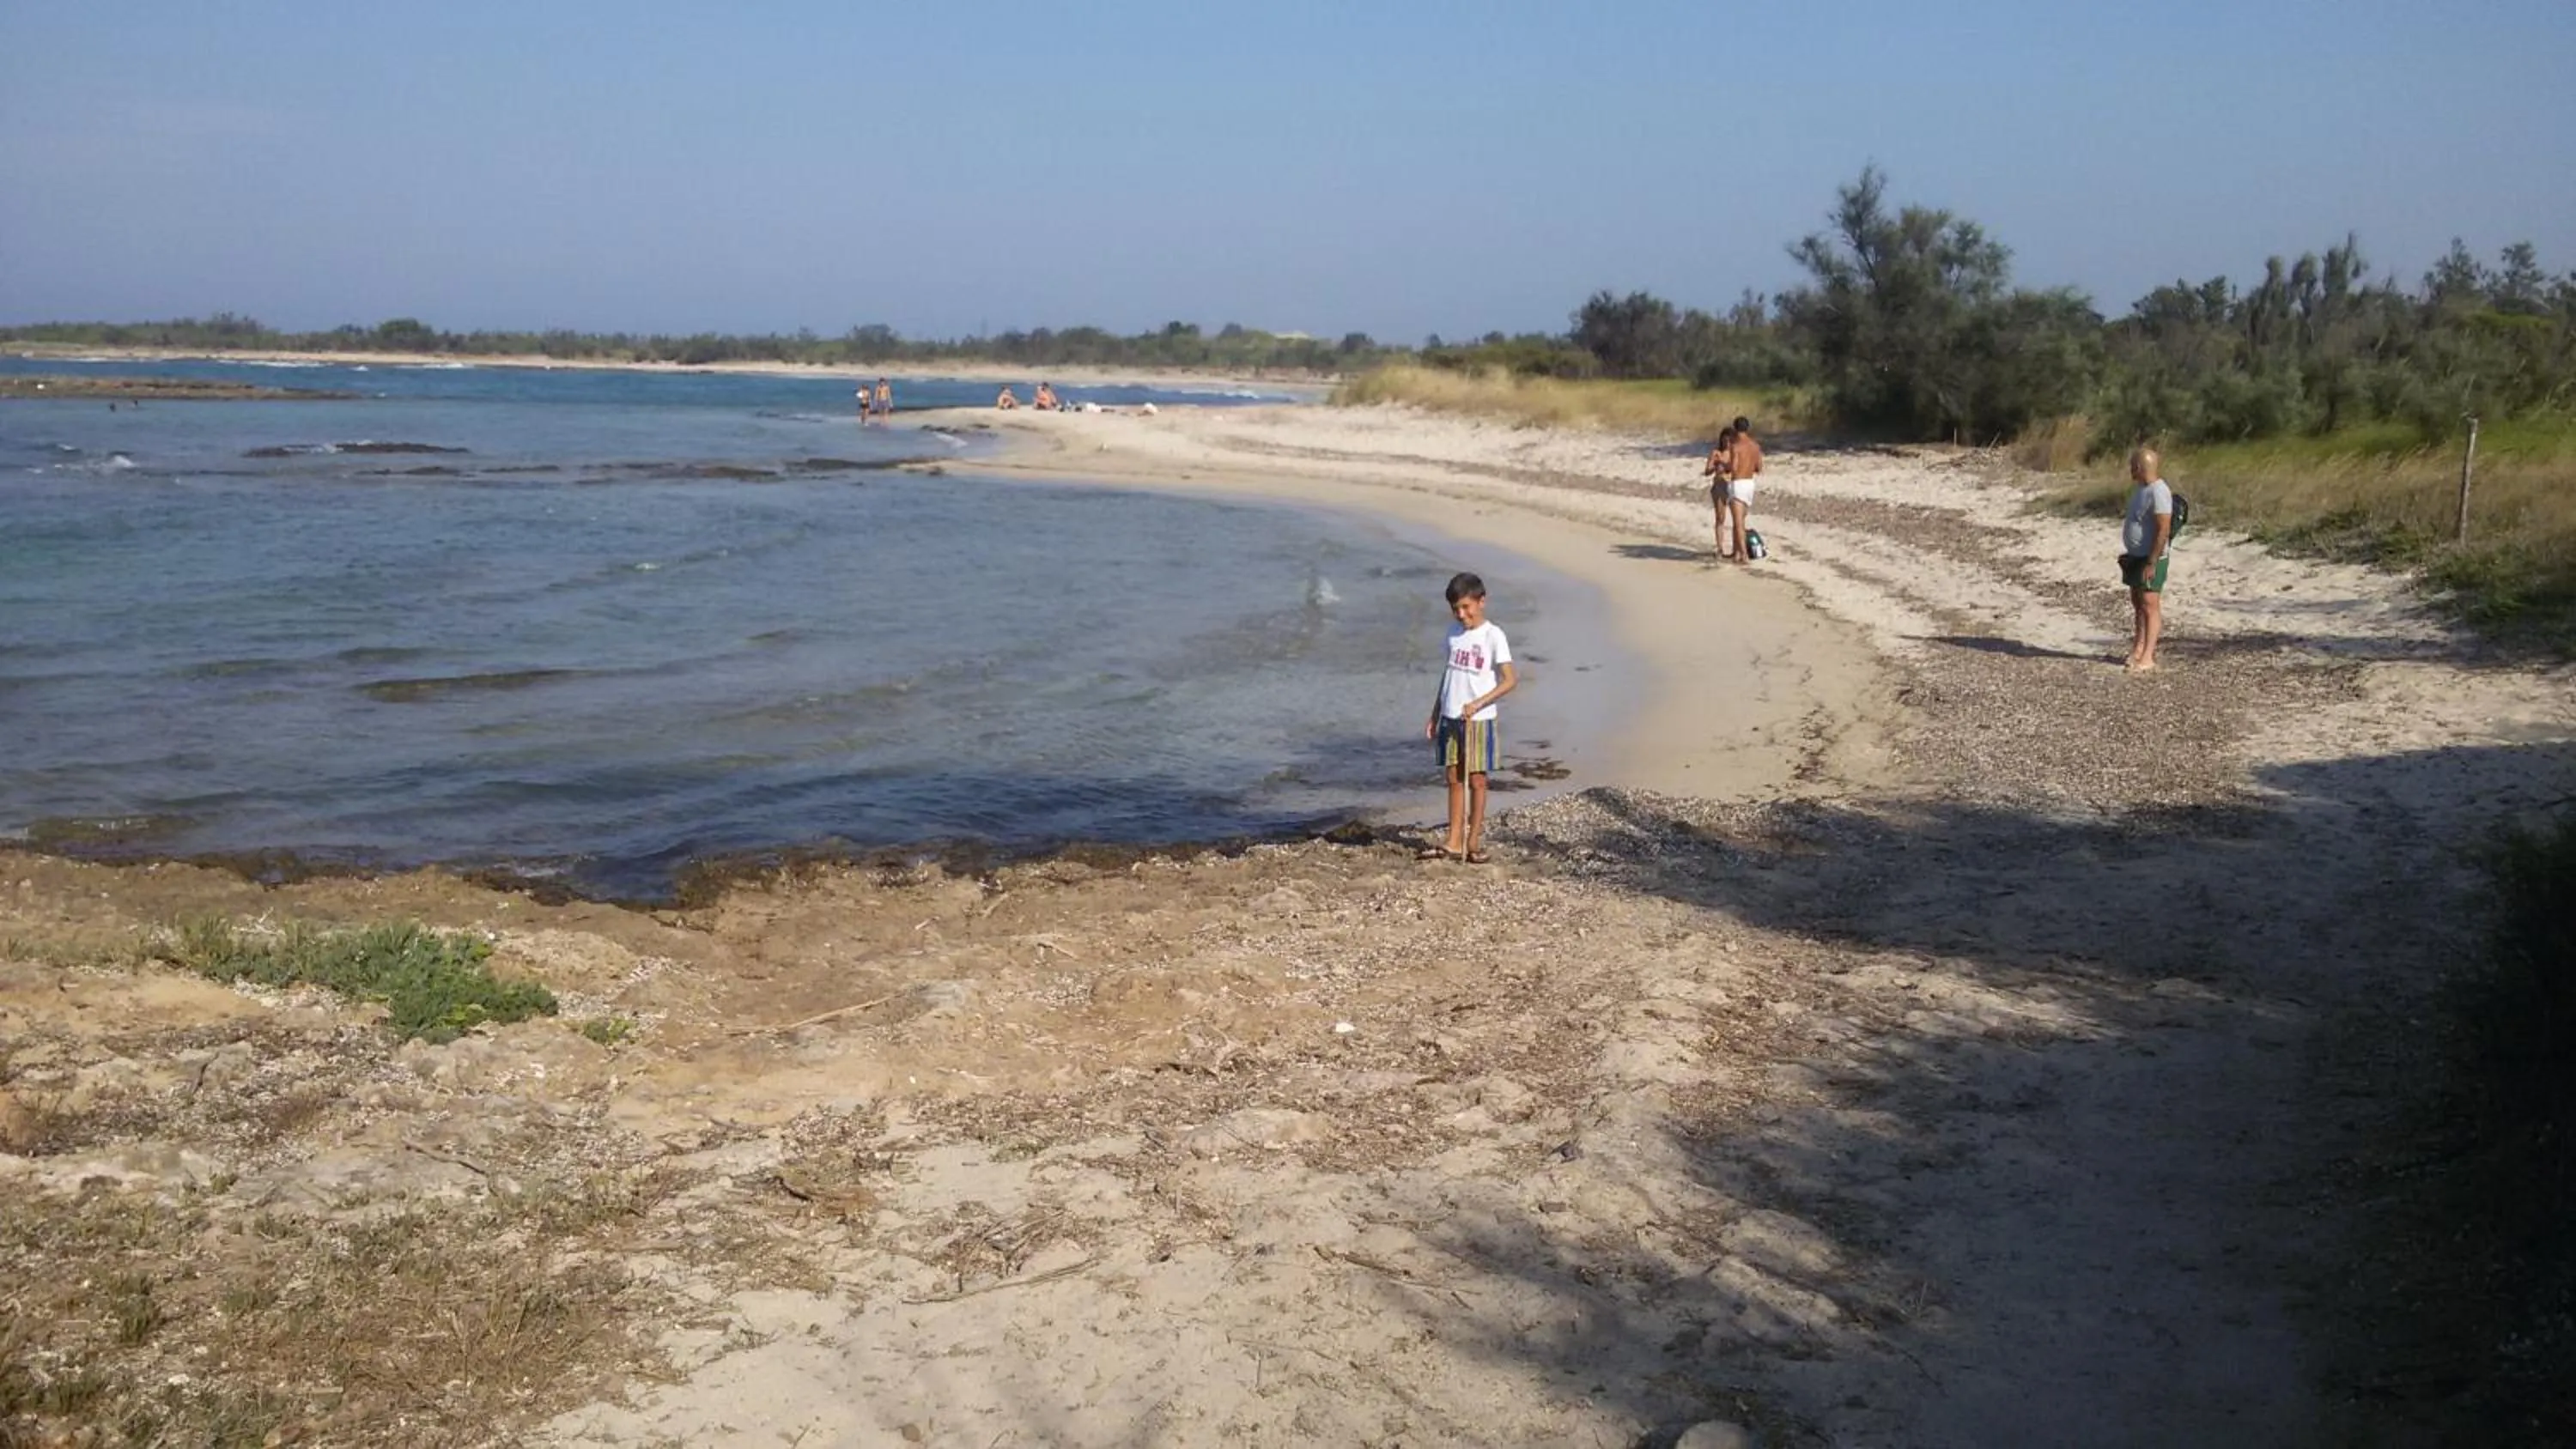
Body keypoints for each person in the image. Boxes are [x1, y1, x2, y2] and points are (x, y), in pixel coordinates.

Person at [1420, 572, 1517, 864]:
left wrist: (1478, 703)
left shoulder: (1493, 635)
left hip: (1479, 719)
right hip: (1451, 715)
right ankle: (1453, 839)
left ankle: (1473, 840)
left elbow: (1509, 680)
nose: (1462, 615)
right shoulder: (1452, 634)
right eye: (1456, 609)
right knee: (1453, 777)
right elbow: (1448, 675)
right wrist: (1435, 714)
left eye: (1466, 607)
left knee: (1477, 780)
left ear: (1481, 601)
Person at [2120, 445, 2175, 671]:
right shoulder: (2140, 489)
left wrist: (2152, 561)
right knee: (2138, 603)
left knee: (2150, 604)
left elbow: (2163, 528)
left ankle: (2148, 656)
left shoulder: (2158, 491)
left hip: (2151, 558)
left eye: (2133, 466)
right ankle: (2139, 647)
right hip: (2136, 556)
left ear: (2141, 467)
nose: (2130, 470)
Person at [1723, 415, 1764, 566]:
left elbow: (1733, 468)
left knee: (1738, 522)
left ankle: (1744, 555)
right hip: (1750, 483)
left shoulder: (1736, 446)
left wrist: (1724, 466)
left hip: (1738, 483)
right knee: (1740, 521)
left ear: (1735, 429)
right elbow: (1759, 468)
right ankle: (1737, 553)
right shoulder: (1755, 446)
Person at [1703, 426, 1738, 558]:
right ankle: (1719, 548)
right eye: (1724, 441)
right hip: (1719, 485)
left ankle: (1737, 548)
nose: (1726, 444)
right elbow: (1707, 471)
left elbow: (1735, 469)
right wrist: (1714, 465)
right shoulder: (1716, 452)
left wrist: (1724, 463)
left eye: (1729, 441)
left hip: (1732, 485)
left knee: (1737, 519)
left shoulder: (1735, 453)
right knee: (1720, 518)